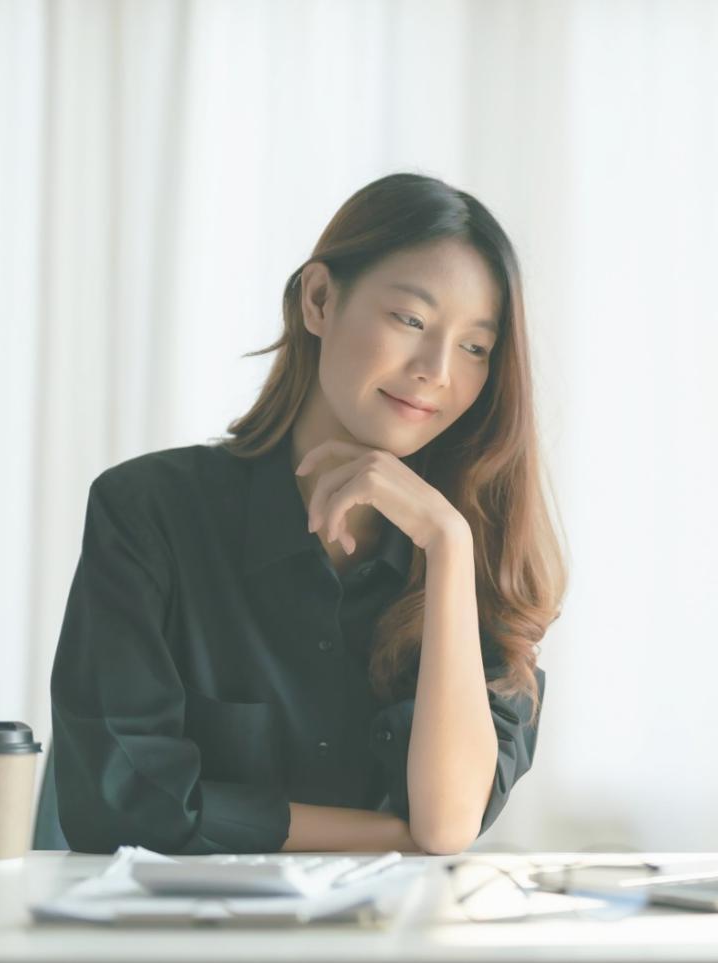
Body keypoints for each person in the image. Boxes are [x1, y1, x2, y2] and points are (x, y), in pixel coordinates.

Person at [48, 172, 564, 856]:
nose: (437, 370)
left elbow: (446, 822)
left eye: (475, 346)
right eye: (411, 320)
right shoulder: (148, 512)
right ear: (318, 299)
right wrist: (389, 836)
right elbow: (116, 799)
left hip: (385, 921)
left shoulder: (478, 554)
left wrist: (446, 544)